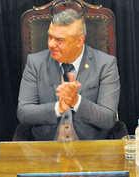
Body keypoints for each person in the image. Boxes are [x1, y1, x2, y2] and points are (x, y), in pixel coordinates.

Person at [17, 9, 120, 141]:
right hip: (46, 151)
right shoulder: (35, 63)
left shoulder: (105, 64)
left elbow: (108, 119)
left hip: (91, 151)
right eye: (50, 36)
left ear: (79, 41)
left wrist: (76, 101)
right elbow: (24, 113)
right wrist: (57, 108)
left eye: (59, 40)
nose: (51, 44)